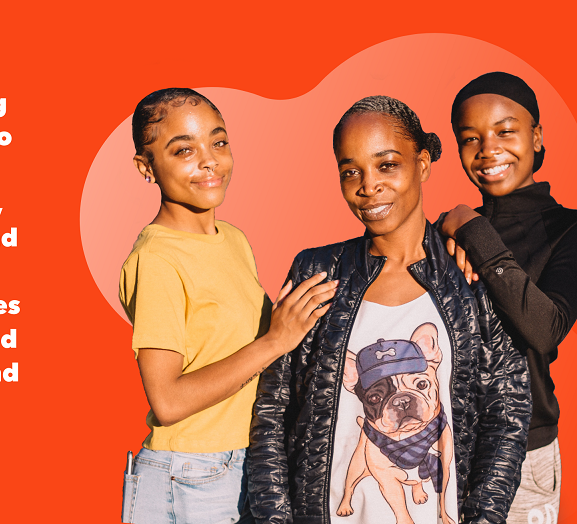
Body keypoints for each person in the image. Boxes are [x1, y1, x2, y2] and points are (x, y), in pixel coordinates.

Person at [248, 96, 531, 524]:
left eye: (387, 165)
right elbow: (271, 411)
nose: (368, 186)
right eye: (350, 172)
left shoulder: (469, 276)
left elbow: (506, 414)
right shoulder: (317, 271)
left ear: (421, 164)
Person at [118, 88, 337, 524]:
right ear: (147, 167)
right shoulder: (157, 258)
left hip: (246, 463)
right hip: (189, 474)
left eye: (218, 142)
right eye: (183, 150)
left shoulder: (233, 239)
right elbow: (167, 400)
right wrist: (275, 340)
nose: (209, 160)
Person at [440, 71, 577, 524]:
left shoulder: (568, 230)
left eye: (505, 131)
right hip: (441, 448)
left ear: (537, 136)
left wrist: (473, 228)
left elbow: (544, 328)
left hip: (524, 450)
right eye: (470, 138)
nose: (487, 149)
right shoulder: (445, 233)